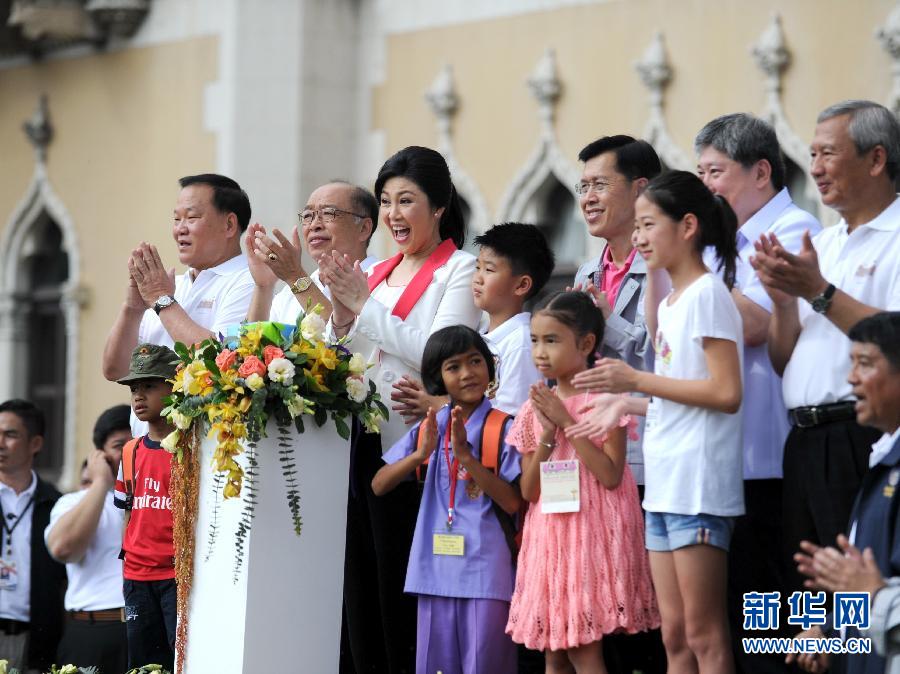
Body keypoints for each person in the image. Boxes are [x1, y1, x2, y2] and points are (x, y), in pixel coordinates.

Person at [320, 146, 482, 673]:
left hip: (415, 446)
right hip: (357, 439)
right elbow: (350, 350)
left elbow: (441, 354)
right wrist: (340, 322)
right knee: (358, 587)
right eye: (386, 201)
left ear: (438, 208)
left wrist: (363, 307)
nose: (392, 214)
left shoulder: (459, 269)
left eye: (406, 201)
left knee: (397, 587)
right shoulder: (377, 269)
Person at [576, 171, 744, 672]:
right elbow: (685, 395)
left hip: (699, 486)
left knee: (704, 633)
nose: (640, 238)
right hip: (667, 483)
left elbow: (726, 392)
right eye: (639, 227)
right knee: (673, 636)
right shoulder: (673, 302)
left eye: (649, 225)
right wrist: (628, 403)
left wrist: (637, 383)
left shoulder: (709, 295)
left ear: (688, 225)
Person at [750, 100, 900, 602]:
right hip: (805, 439)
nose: (813, 167)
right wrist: (783, 305)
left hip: (860, 438)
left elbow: (893, 337)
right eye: (811, 154)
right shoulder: (825, 242)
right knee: (805, 599)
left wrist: (817, 291)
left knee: (855, 597)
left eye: (828, 153)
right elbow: (783, 361)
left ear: (876, 160)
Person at [694, 112, 823, 672]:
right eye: (698, 173)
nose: (704, 188)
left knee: (795, 619)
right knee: (745, 617)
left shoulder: (796, 233)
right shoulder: (723, 246)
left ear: (761, 171)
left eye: (714, 172)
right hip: (729, 456)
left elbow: (753, 328)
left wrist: (701, 270)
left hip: (778, 453)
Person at [501, 291, 657, 672]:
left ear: (586, 344)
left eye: (552, 340)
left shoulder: (606, 400)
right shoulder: (532, 406)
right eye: (536, 340)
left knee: (584, 650)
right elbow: (528, 491)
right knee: (553, 651)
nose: (540, 351)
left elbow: (610, 473)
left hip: (592, 533)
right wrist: (548, 432)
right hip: (550, 538)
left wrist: (568, 423)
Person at [372, 325, 522, 674]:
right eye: (453, 366)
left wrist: (468, 459)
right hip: (434, 570)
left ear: (489, 366)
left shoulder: (504, 426)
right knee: (433, 666)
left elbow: (514, 503)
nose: (468, 373)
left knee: (485, 665)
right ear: (437, 377)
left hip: (487, 571)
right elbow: (379, 485)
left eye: (475, 361)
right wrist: (417, 455)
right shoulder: (431, 424)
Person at [787, 312, 900, 674]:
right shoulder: (882, 463)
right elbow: (871, 588)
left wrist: (870, 593)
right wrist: (828, 630)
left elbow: (875, 592)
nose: (851, 378)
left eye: (865, 364)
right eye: (851, 363)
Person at [101, 173, 256, 436]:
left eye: (192, 218)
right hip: (146, 452)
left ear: (230, 225)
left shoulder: (250, 282)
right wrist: (133, 309)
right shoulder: (172, 286)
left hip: (202, 451)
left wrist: (162, 301)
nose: (180, 229)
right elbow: (115, 369)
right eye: (176, 219)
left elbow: (220, 362)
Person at [390, 222, 554, 423]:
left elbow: (513, 423)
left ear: (521, 285)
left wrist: (441, 405)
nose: (477, 278)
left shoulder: (522, 343)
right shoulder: (479, 336)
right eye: (478, 267)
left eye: (489, 270)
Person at [571, 135, 663, 489]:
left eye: (599, 185)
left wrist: (605, 322)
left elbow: (663, 357)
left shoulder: (665, 268)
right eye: (583, 187)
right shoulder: (587, 273)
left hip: (645, 453)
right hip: (590, 448)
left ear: (641, 190)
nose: (588, 199)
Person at [45, 404, 131, 674]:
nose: (131, 452)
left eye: (137, 442)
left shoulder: (161, 498)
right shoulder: (74, 502)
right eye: (120, 445)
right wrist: (99, 484)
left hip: (145, 627)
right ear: (100, 455)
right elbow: (63, 548)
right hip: (93, 631)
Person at [112, 344, 179, 672]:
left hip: (176, 576)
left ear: (176, 387)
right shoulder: (130, 451)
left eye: (150, 386)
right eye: (134, 389)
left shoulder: (191, 449)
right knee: (142, 663)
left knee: (180, 658)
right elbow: (128, 513)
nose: (139, 396)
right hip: (137, 576)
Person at [246, 180, 380, 323]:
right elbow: (254, 343)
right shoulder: (291, 292)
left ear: (364, 228)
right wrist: (263, 287)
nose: (314, 225)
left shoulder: (386, 281)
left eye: (329, 213)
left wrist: (295, 276)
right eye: (308, 216)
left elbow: (345, 340)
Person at [0, 400, 66, 674]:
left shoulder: (56, 504)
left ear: (35, 444)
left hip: (36, 638)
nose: (0, 443)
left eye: (11, 435)